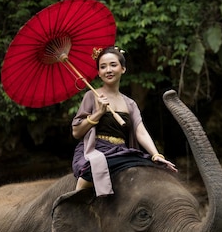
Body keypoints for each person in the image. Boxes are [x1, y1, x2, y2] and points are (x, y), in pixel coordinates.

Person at [71, 46, 177, 196]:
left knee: (151, 168)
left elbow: (140, 131)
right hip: (96, 150)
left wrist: (156, 155)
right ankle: (74, 207)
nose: (108, 70)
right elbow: (76, 132)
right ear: (99, 73)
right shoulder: (91, 96)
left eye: (113, 65)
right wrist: (99, 113)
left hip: (121, 151)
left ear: (123, 69)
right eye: (103, 67)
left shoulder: (130, 103)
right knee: (91, 171)